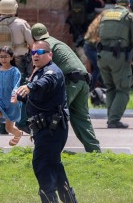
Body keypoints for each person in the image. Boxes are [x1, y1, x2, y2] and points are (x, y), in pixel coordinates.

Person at [12, 41, 79, 203]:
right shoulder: (38, 72)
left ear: (50, 54)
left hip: (53, 128)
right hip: (44, 128)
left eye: (40, 51)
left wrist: (30, 86)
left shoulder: (52, 71)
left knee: (41, 163)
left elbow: (46, 83)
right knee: (53, 164)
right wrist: (20, 96)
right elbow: (38, 98)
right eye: (33, 52)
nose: (36, 55)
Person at [31, 23, 101, 153]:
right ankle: (95, 152)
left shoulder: (42, 47)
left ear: (33, 37)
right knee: (81, 117)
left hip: (70, 81)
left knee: (55, 114)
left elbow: (38, 69)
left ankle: (50, 149)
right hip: (84, 80)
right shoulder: (56, 42)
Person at [97, 0, 133, 128]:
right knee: (123, 89)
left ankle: (111, 117)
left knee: (110, 87)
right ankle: (114, 120)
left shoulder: (106, 14)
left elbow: (98, 34)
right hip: (119, 56)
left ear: (116, 4)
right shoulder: (129, 16)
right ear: (128, 5)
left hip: (102, 55)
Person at [0, 0, 34, 80]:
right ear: (15, 9)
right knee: (19, 89)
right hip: (19, 62)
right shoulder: (21, 24)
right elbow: (32, 45)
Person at [83, 13, 104, 91]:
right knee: (98, 68)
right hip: (91, 48)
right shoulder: (101, 25)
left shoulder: (95, 24)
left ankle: (97, 87)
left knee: (97, 68)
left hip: (88, 47)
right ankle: (90, 89)